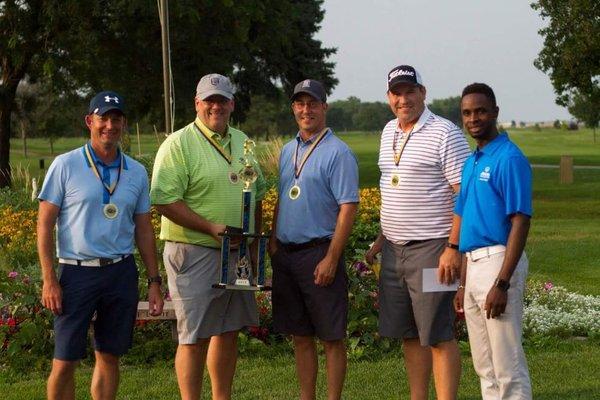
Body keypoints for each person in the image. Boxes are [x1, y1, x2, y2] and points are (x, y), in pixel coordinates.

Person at [37, 91, 164, 400]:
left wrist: (154, 280)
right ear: (89, 121)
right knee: (65, 360)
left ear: (123, 124)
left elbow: (144, 228)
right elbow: (44, 223)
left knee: (109, 356)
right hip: (76, 273)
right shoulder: (65, 165)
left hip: (119, 272)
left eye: (116, 119)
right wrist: (49, 279)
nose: (109, 125)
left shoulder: (135, 171)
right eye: (103, 118)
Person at [150, 73, 266, 400]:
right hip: (194, 249)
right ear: (197, 103)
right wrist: (210, 227)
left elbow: (256, 193)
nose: (216, 106)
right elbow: (164, 200)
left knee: (228, 330)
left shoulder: (244, 141)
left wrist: (254, 244)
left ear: (232, 103)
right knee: (194, 336)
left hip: (237, 251)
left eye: (222, 100)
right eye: (209, 100)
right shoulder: (178, 143)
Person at [366, 65, 470, 400]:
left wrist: (454, 247)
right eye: (397, 93)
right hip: (395, 251)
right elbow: (393, 189)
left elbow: (464, 194)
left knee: (437, 334)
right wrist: (381, 239)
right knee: (409, 333)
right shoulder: (387, 132)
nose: (404, 99)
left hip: (433, 248)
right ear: (388, 98)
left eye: (410, 91)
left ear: (422, 93)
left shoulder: (445, 133)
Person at [269, 79, 359, 400]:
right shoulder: (287, 150)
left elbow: (348, 208)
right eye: (300, 103)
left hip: (320, 253)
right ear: (294, 108)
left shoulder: (339, 153)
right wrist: (272, 241)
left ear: (324, 107)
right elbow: (283, 195)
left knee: (332, 338)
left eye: (312, 103)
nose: (306, 110)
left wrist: (332, 257)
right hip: (288, 255)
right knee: (301, 336)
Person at [453, 83, 533, 399]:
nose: (474, 118)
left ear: (495, 112)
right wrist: (461, 284)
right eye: (467, 113)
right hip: (472, 265)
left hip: (498, 262)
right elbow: (465, 224)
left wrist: (502, 283)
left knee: (507, 363)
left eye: (481, 111)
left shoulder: (509, 158)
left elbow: (521, 221)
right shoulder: (472, 160)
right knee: (484, 366)